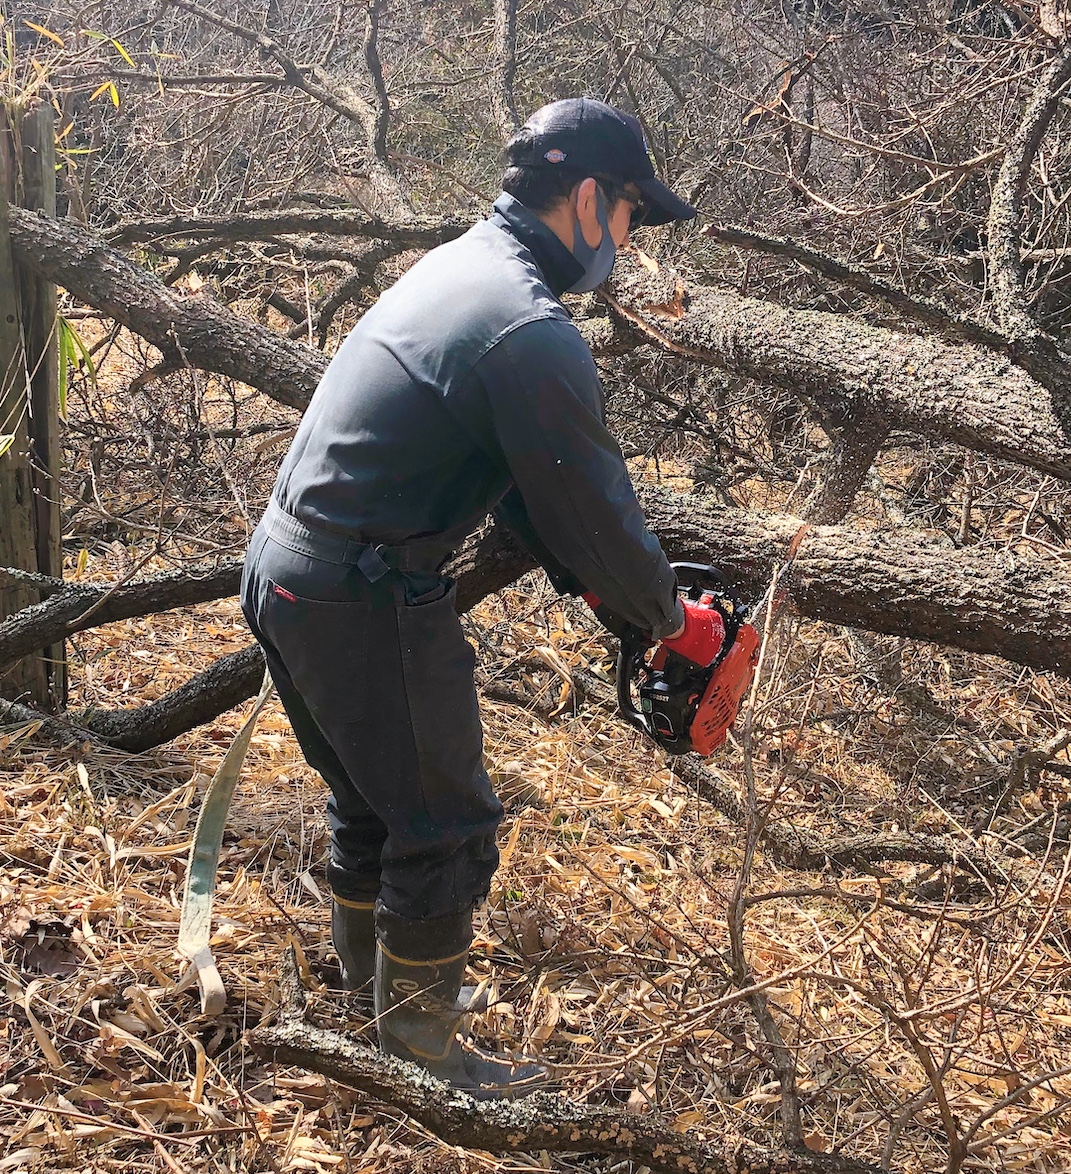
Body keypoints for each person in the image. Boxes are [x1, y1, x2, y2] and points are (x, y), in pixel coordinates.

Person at [239, 98, 724, 1098]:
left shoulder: (463, 269)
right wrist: (674, 621)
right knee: (445, 828)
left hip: (289, 567)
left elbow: (527, 491)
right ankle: (419, 1065)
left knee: (375, 806)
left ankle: (371, 1015)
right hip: (360, 592)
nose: (628, 241)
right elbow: (593, 506)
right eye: (631, 214)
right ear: (591, 199)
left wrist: (604, 595)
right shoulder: (527, 329)